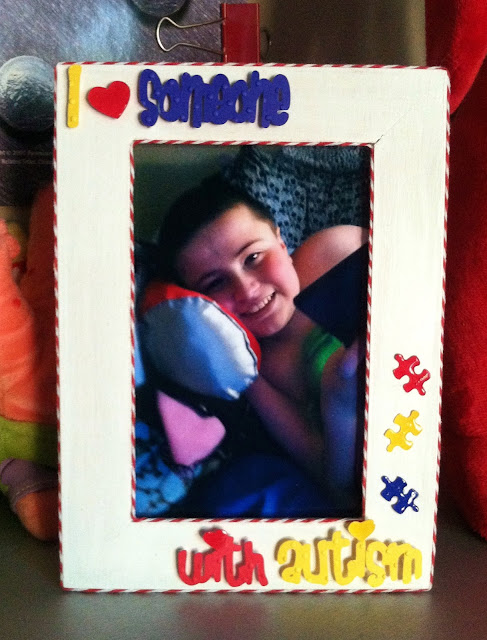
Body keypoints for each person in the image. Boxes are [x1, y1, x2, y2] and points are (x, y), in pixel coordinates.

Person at [156, 174, 367, 515]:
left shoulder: (335, 253)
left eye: (253, 257)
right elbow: (338, 488)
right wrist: (339, 402)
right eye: (216, 283)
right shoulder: (254, 373)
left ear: (281, 243)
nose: (247, 290)